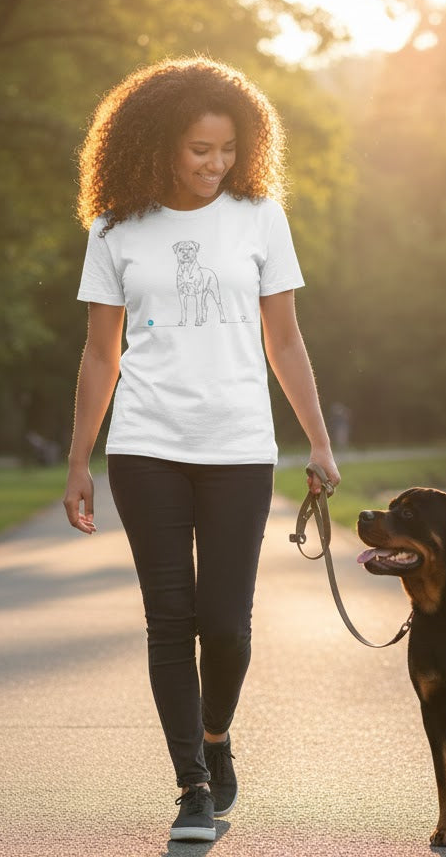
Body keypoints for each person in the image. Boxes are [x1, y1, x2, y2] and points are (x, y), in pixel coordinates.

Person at [62, 56, 340, 842]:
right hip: (146, 448)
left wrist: (317, 440)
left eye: (227, 149)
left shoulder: (260, 217)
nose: (215, 165)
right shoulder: (116, 227)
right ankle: (191, 785)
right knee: (168, 618)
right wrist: (80, 460)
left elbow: (283, 340)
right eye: (197, 150)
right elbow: (98, 353)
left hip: (240, 448)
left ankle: (216, 737)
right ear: (157, 145)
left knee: (225, 624)